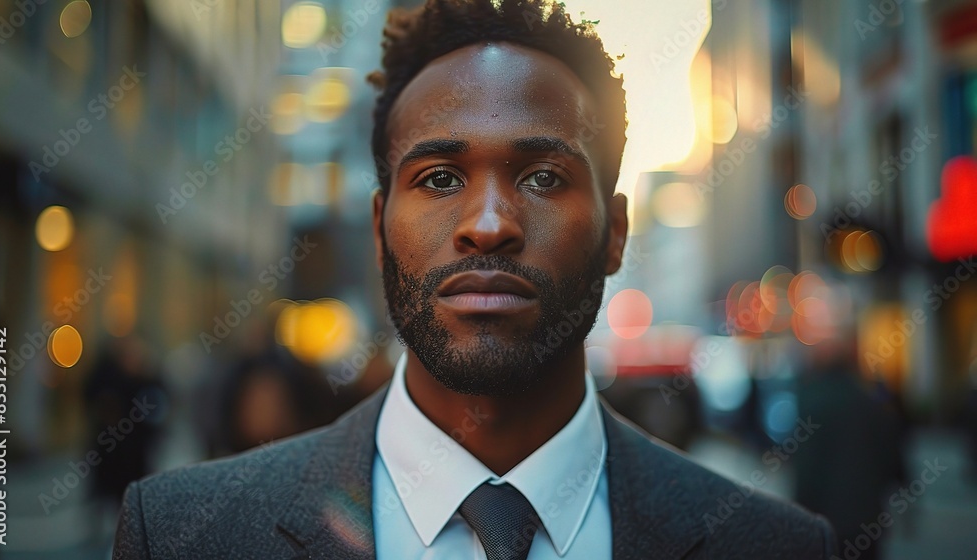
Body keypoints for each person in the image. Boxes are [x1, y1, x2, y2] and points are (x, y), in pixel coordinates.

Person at [113, 1, 836, 558]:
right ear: (377, 230)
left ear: (615, 234)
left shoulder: (776, 546)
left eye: (544, 176)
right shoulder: (181, 534)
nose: (489, 223)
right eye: (439, 177)